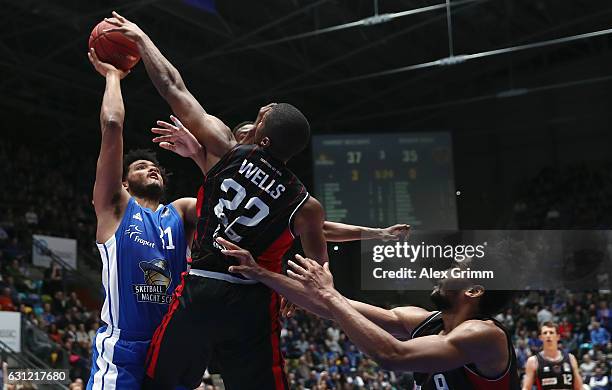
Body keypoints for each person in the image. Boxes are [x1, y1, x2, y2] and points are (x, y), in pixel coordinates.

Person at [219, 240, 521, 389]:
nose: (445, 272)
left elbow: (393, 355)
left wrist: (328, 294)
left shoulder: (484, 335)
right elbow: (332, 307)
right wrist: (260, 272)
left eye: (458, 270)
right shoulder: (425, 321)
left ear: (474, 290)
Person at [85, 48, 198, 389]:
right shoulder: (114, 207)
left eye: (155, 167)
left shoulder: (179, 212)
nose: (151, 167)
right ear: (123, 182)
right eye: (139, 166)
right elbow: (113, 125)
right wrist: (112, 77)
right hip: (123, 352)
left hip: (172, 349)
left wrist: (196, 151)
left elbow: (224, 197)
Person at [522, 322, 583, 390]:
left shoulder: (571, 359)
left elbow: (579, 387)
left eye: (551, 332)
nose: (548, 335)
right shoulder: (533, 361)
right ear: (541, 337)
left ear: (558, 337)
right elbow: (526, 388)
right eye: (545, 333)